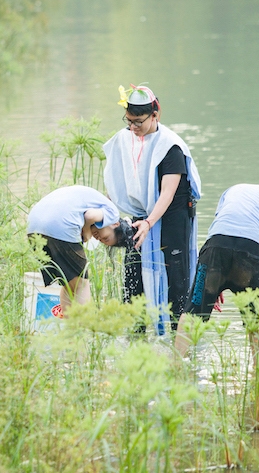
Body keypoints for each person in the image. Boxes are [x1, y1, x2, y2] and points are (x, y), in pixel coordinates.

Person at [103, 85, 201, 334]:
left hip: (173, 219)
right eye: (128, 122)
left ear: (155, 115)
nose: (133, 128)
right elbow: (114, 181)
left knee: (176, 285)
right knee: (133, 283)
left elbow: (167, 193)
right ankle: (136, 338)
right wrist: (109, 214)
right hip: (140, 218)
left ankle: (178, 347)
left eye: (138, 122)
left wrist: (149, 223)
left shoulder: (170, 147)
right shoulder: (125, 139)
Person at [174, 179, 259, 358]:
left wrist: (217, 281)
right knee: (257, 320)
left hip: (215, 249)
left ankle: (176, 365)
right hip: (253, 253)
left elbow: (222, 227)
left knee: (193, 312)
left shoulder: (234, 189)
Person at [26, 185, 122, 317]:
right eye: (105, 238)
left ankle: (71, 334)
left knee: (68, 284)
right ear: (115, 224)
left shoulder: (96, 201)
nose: (99, 239)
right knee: (82, 285)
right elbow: (90, 215)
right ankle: (81, 334)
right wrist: (87, 231)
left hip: (33, 226)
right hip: (59, 225)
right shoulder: (114, 213)